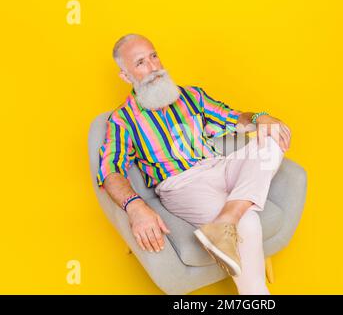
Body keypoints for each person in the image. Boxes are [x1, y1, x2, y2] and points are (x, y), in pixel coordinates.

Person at [96, 34, 291, 294]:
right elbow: (110, 171)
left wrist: (260, 117)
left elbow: (234, 118)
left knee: (275, 135)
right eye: (141, 62)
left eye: (154, 56)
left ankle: (226, 218)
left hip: (220, 166)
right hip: (183, 185)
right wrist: (135, 207)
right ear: (125, 75)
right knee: (249, 224)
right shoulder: (122, 120)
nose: (154, 67)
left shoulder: (191, 96)